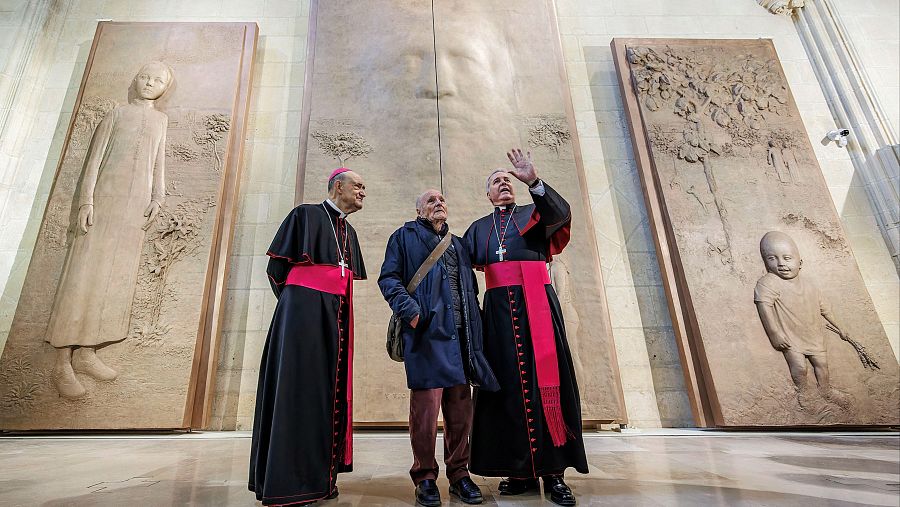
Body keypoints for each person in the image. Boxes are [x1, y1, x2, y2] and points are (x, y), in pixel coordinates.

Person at [464, 149, 587, 506]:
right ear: (488, 195)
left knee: (546, 384)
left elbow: (561, 214)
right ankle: (517, 470)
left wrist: (533, 180)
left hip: (539, 310)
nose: (503, 182)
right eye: (495, 181)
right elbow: (458, 264)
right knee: (506, 389)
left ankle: (555, 474)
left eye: (507, 178)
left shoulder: (533, 213)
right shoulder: (478, 229)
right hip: (499, 316)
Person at [47, 61, 172, 399]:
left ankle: (88, 353)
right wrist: (86, 203)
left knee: (112, 279)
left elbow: (158, 164)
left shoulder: (160, 121)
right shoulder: (116, 114)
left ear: (164, 87)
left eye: (157, 80)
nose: (149, 83)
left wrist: (158, 199)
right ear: (135, 79)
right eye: (144, 76)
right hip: (102, 205)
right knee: (83, 277)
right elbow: (93, 162)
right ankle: (62, 362)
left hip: (133, 213)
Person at [249, 168, 367, 506]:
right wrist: (297, 310)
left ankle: (321, 478)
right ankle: (290, 483)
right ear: (336, 186)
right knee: (297, 390)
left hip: (338, 318)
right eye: (357, 185)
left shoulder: (351, 232)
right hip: (303, 317)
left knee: (328, 393)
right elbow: (277, 271)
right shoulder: (305, 214)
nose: (362, 191)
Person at [379, 189, 499, 507]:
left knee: (461, 413)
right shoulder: (402, 237)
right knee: (425, 414)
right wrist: (413, 313)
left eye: (442, 200)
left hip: (462, 340)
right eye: (431, 201)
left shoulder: (458, 244)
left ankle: (459, 474)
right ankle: (425, 477)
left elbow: (470, 291)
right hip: (426, 339)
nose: (439, 204)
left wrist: (478, 331)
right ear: (418, 209)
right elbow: (388, 279)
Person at [754, 231, 850, 408]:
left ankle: (825, 390)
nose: (781, 263)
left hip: (814, 334)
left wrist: (840, 327)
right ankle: (804, 392)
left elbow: (825, 308)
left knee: (822, 365)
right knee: (800, 368)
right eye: (772, 258)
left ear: (800, 262)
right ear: (766, 263)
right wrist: (775, 333)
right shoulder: (768, 282)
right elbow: (764, 306)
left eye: (787, 257)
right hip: (790, 337)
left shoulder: (810, 285)